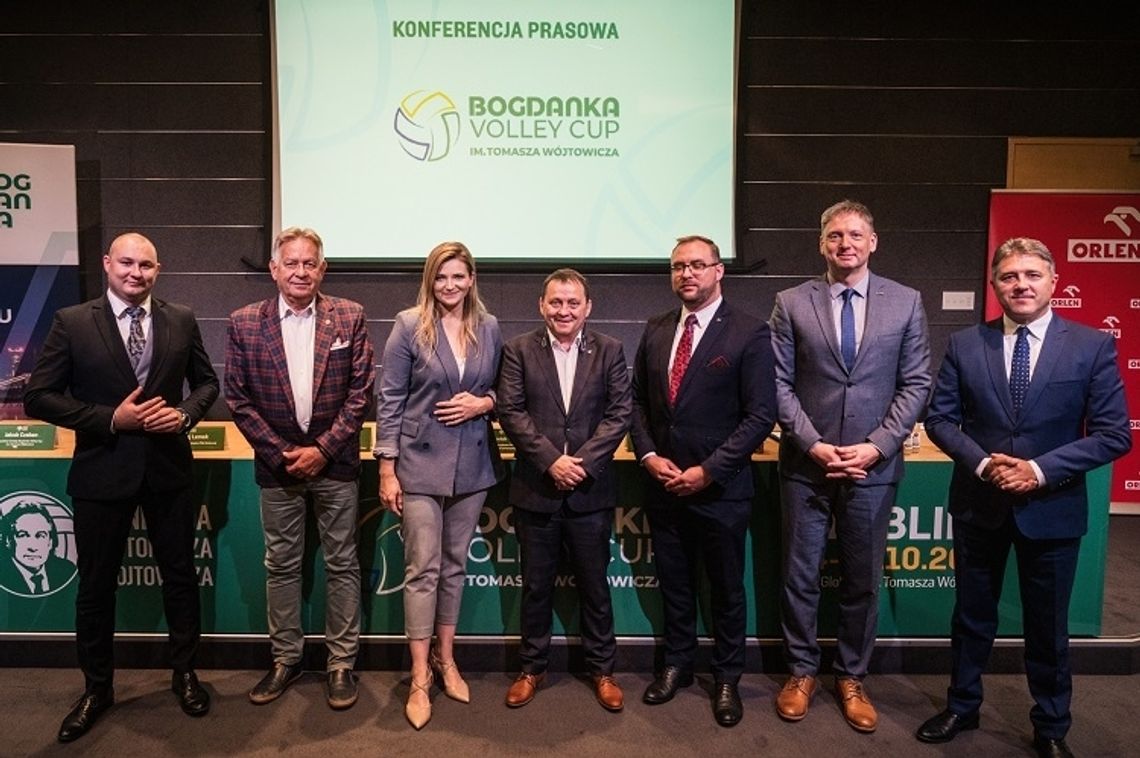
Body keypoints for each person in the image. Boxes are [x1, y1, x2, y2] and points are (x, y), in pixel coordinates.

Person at [915, 238, 1131, 758]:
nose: (1021, 284)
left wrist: (1038, 470)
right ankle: (962, 707)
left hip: (1052, 508)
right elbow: (941, 419)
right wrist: (987, 464)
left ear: (1054, 281)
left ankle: (1052, 726)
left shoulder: (1091, 346)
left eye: (1032, 274)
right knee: (970, 618)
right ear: (995, 285)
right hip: (979, 503)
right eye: (1010, 276)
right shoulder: (967, 344)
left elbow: (1113, 434)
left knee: (1048, 628)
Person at [23, 232, 219, 741]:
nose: (137, 273)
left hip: (168, 472)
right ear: (108, 264)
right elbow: (39, 398)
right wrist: (112, 418)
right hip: (101, 471)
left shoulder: (181, 318)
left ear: (159, 268)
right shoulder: (72, 321)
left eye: (147, 265)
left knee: (180, 577)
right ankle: (97, 688)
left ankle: (185, 673)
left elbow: (207, 384)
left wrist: (182, 416)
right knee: (94, 587)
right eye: (127, 263)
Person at [768, 200, 931, 732]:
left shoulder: (905, 302)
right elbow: (778, 384)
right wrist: (813, 444)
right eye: (835, 235)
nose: (846, 244)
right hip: (805, 463)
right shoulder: (791, 302)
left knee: (861, 579)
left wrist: (878, 445)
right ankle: (800, 671)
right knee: (800, 574)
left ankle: (852, 675)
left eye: (855, 234)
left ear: (873, 241)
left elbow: (916, 383)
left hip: (872, 467)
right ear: (822, 244)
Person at [224, 227, 374, 711]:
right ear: (274, 270)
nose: (301, 271)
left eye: (310, 263)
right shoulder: (244, 322)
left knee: (342, 564)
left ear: (322, 269)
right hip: (278, 467)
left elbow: (360, 394)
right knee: (282, 566)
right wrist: (283, 452)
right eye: (291, 263)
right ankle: (286, 658)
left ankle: (340, 664)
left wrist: (323, 451)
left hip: (336, 466)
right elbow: (238, 398)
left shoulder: (349, 316)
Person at [630, 235, 777, 727]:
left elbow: (760, 416)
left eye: (696, 265)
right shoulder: (655, 329)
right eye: (677, 267)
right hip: (664, 485)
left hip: (721, 490)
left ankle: (727, 677)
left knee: (726, 590)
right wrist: (648, 454)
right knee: (675, 585)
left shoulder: (750, 332)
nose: (686, 274)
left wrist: (709, 470)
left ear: (719, 271)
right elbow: (635, 404)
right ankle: (677, 665)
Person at [374, 241, 502, 729]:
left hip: (472, 466)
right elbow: (389, 398)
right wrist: (387, 468)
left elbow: (501, 390)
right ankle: (419, 675)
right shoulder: (409, 325)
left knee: (453, 568)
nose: (449, 286)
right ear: (430, 280)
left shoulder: (488, 327)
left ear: (471, 280)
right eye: (441, 277)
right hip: (418, 464)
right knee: (422, 570)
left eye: (458, 277)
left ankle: (447, 661)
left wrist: (483, 404)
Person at [496, 268, 633, 713]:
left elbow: (619, 413)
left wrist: (582, 464)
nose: (564, 310)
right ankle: (531, 668)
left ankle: (603, 670)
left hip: (590, 491)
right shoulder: (517, 350)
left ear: (587, 308)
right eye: (556, 302)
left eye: (573, 303)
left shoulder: (610, 350)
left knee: (596, 585)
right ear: (542, 305)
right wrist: (551, 461)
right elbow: (512, 412)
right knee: (536, 586)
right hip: (537, 488)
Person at [0, 502, 76, 595]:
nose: (33, 547)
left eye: (40, 536)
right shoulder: (3, 573)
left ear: (50, 542)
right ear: (9, 540)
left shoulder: (66, 570)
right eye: (23, 535)